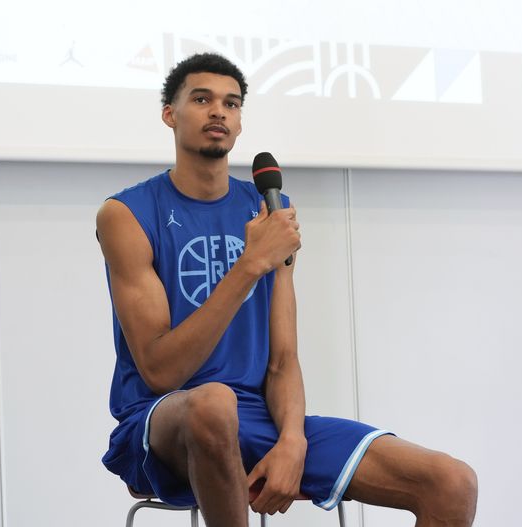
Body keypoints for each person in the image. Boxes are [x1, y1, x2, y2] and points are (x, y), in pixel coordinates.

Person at [96, 52, 478, 527]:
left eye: (232, 104)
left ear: (239, 123)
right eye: (202, 99)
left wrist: (293, 441)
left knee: (451, 482)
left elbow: (282, 361)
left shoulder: (270, 212)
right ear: (169, 115)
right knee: (215, 403)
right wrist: (250, 264)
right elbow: (159, 370)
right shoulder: (126, 215)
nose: (219, 111)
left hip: (260, 418)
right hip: (160, 421)